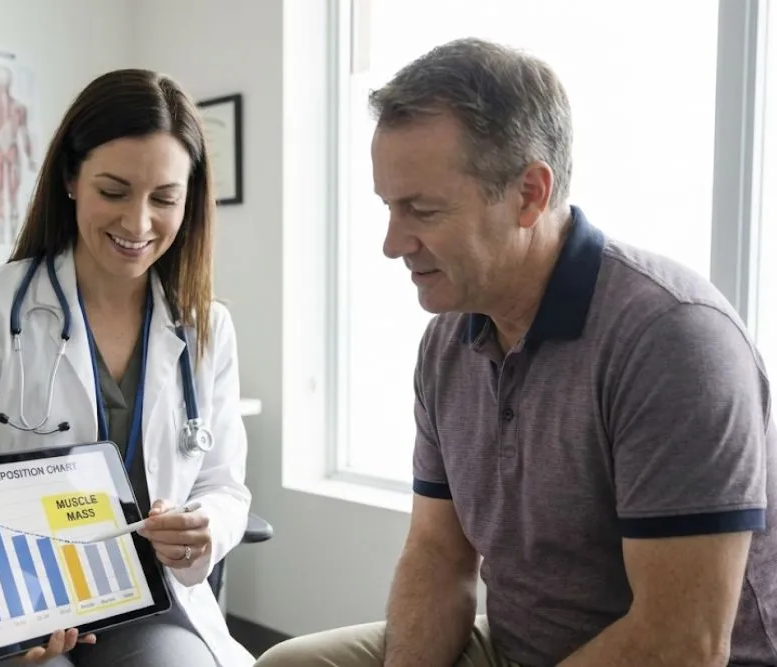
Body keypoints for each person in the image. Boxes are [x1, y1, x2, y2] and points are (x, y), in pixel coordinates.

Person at [256, 37, 777, 667]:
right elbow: (439, 555)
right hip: (515, 644)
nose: (392, 244)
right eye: (389, 207)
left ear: (529, 193)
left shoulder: (673, 340)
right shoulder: (449, 339)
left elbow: (682, 641)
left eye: (421, 209)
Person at [0, 68, 255, 667]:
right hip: (3, 594)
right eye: (114, 191)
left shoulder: (205, 327)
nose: (138, 223)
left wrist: (203, 528)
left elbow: (224, 485)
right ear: (72, 179)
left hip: (140, 595)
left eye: (164, 199)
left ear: (190, 199)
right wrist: (13, 609)